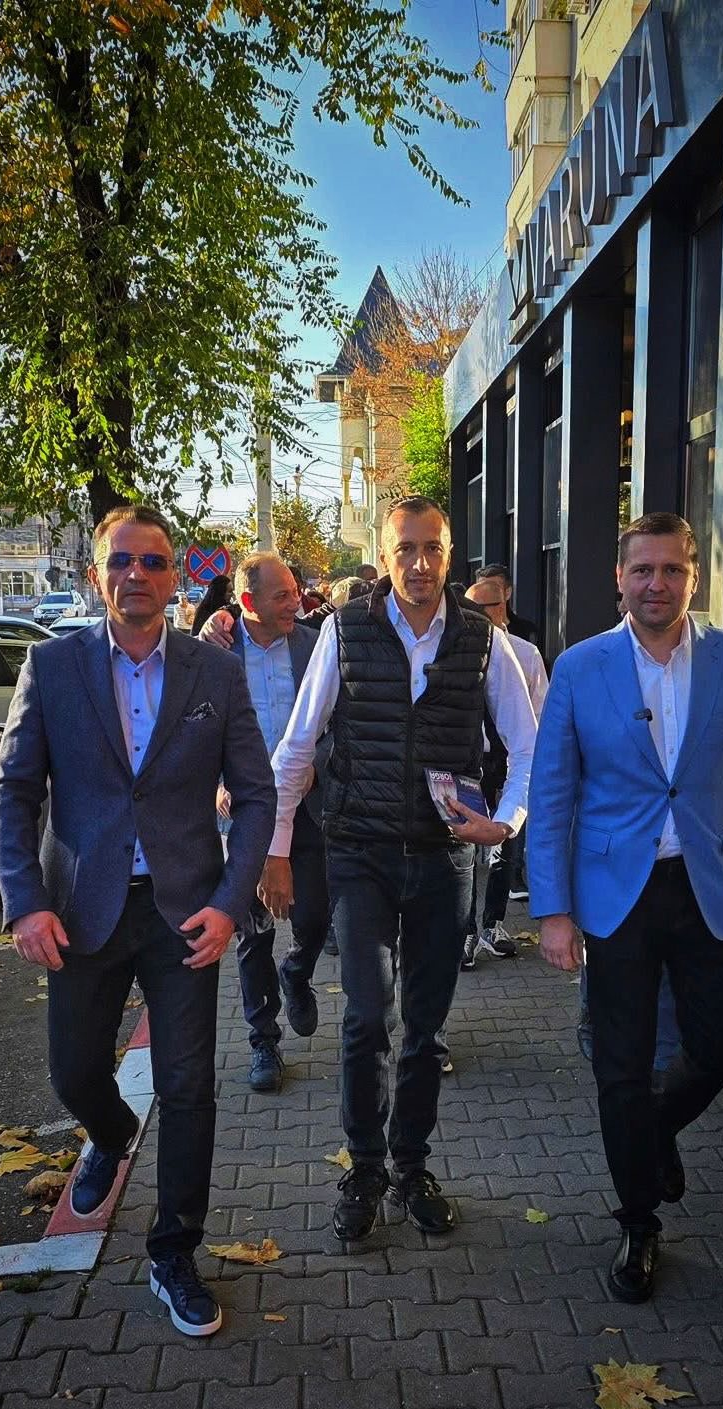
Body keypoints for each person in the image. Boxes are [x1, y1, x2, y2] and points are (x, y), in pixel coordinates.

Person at [0, 504, 276, 1337]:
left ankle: (173, 1251)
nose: (136, 575)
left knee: (189, 1089)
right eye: (121, 561)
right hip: (82, 911)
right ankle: (110, 1135)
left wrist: (231, 901)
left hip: (186, 911)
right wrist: (25, 900)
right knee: (75, 1073)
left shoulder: (214, 672)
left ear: (175, 575)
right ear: (96, 575)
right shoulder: (52, 667)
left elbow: (256, 795)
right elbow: (14, 791)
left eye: (153, 561)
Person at [528, 512, 723, 1304]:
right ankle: (637, 1220)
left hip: (708, 882)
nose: (657, 584)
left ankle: (647, 1135)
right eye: (642, 569)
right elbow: (552, 793)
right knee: (620, 1061)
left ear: (693, 576)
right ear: (619, 578)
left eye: (671, 569)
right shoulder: (579, 667)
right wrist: (552, 910)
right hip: (615, 893)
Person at [261, 496, 537, 1242]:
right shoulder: (344, 631)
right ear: (384, 557)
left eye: (432, 548)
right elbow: (298, 744)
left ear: (449, 555)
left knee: (426, 1028)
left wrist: (505, 820)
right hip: (361, 853)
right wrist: (277, 847)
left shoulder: (482, 639)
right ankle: (364, 1168)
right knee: (365, 1018)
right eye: (406, 548)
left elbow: (528, 746)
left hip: (445, 859)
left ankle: (411, 1167)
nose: (419, 563)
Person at [198, 553, 331, 1093]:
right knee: (252, 931)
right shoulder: (216, 653)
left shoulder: (315, 646)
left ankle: (297, 971)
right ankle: (263, 1041)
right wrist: (215, 782)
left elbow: (335, 722)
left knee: (316, 916)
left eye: (295, 591)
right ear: (247, 602)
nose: (296, 602)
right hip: (246, 812)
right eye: (282, 596)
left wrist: (319, 765)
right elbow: (195, 728)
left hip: (307, 808)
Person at [461, 575, 548, 967]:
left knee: (505, 845)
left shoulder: (525, 654)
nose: (472, 616)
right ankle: (465, 931)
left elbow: (540, 712)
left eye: (481, 608)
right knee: (464, 848)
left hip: (511, 763)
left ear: (501, 608)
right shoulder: (458, 650)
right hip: (469, 764)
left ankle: (492, 924)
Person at [477, 561, 538, 649]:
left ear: (508, 593)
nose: (486, 595)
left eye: (494, 589)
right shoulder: (469, 631)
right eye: (481, 590)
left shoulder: (527, 632)